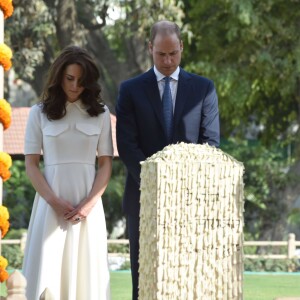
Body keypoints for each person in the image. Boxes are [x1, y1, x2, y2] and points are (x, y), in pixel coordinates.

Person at [116, 20, 220, 299]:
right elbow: (126, 144)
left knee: (189, 277)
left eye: (173, 53)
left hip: (191, 199)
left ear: (181, 48)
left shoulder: (204, 89)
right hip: (143, 197)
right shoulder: (130, 90)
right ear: (150, 48)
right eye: (161, 54)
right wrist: (155, 182)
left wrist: (180, 185)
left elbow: (210, 144)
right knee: (145, 277)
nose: (167, 60)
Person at [22, 45, 113, 300]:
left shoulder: (101, 114)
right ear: (59, 76)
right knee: (46, 278)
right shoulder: (38, 113)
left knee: (88, 279)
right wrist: (55, 202)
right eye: (69, 79)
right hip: (49, 208)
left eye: (81, 82)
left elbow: (106, 164)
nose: (74, 86)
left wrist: (88, 205)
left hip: (89, 211)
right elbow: (31, 164)